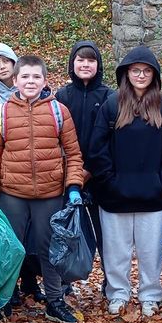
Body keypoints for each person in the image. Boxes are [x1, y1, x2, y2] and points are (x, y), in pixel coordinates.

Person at [0, 54, 86, 323]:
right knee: (9, 249)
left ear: (45, 80)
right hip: (13, 194)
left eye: (36, 76)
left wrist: (73, 186)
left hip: (49, 194)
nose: (30, 81)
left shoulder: (59, 112)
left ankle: (54, 300)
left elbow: (73, 154)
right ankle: (1, 303)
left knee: (50, 250)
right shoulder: (1, 114)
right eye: (25, 76)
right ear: (15, 80)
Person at [85, 46, 162, 317]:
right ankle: (118, 293)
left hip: (153, 195)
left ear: (155, 75)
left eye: (146, 71)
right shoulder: (111, 105)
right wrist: (109, 181)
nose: (141, 75)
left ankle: (150, 294)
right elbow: (97, 149)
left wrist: (161, 181)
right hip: (115, 194)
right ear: (126, 73)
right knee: (117, 251)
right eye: (135, 70)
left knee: (150, 250)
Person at [54, 40, 109, 260]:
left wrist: (90, 170)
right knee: (65, 229)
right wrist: (72, 172)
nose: (85, 64)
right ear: (72, 63)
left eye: (91, 60)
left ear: (98, 65)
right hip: (67, 175)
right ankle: (64, 281)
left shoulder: (109, 97)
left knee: (105, 234)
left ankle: (111, 282)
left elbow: (109, 140)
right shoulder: (62, 96)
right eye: (80, 60)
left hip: (99, 176)